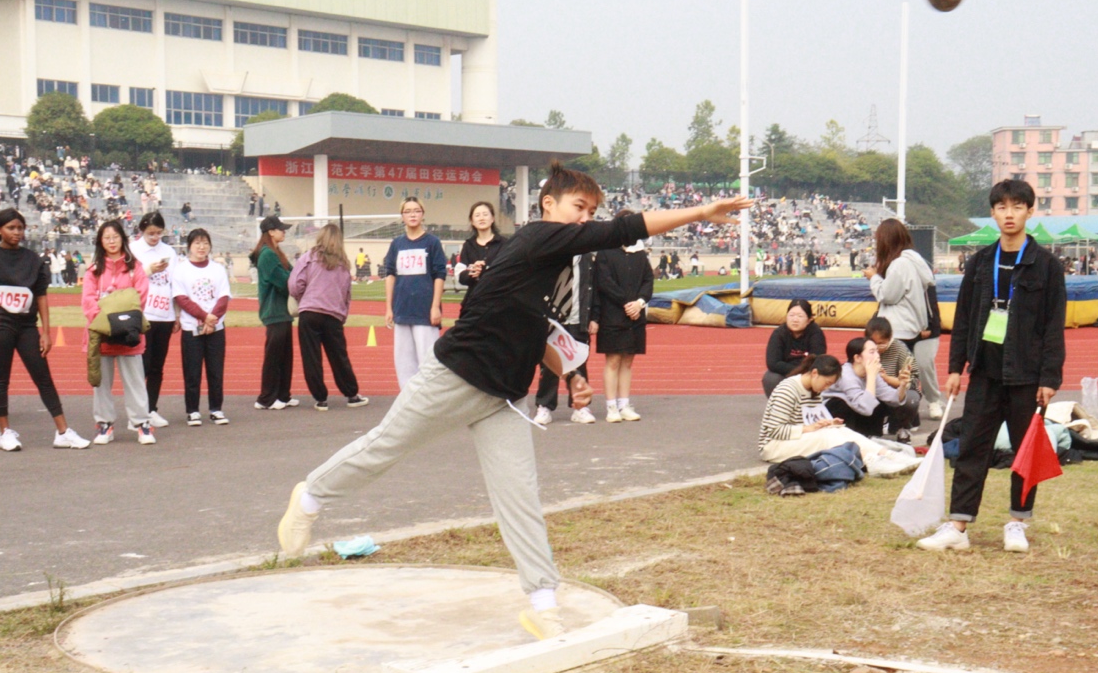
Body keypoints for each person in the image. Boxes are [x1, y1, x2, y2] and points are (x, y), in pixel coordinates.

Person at [276, 162, 753, 641]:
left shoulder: (549, 261)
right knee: (386, 447)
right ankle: (311, 497)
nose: (586, 218)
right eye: (579, 207)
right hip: (455, 376)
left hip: (502, 397)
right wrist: (700, 212)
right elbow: (621, 230)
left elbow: (535, 326)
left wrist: (570, 375)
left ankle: (544, 606)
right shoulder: (540, 237)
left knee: (519, 496)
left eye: (592, 211)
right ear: (548, 204)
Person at [917, 180, 1066, 553]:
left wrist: (1050, 377)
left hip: (1027, 376)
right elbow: (963, 318)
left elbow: (1053, 325)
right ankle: (958, 526)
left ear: (1030, 211)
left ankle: (1018, 522)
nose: (1009, 214)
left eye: (1017, 207)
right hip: (984, 371)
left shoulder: (1047, 266)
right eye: (1002, 207)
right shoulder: (981, 262)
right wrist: (955, 367)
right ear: (993, 213)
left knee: (1024, 452)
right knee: (972, 448)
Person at [0, 209, 90, 451]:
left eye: (20, 228)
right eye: (11, 228)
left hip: (27, 326)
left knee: (43, 377)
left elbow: (41, 296)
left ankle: (63, 432)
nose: (17, 232)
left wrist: (46, 332)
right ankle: (5, 433)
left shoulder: (33, 259)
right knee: (0, 379)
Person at [756, 354, 920, 474]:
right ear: (815, 373)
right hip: (774, 445)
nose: (826, 388)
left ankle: (888, 455)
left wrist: (827, 422)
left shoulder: (814, 390)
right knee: (827, 436)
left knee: (840, 430)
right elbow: (774, 430)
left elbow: (813, 420)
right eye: (827, 383)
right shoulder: (788, 389)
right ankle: (871, 460)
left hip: (799, 438)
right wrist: (809, 428)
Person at [82, 221, 154, 444]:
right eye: (107, 238)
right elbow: (88, 301)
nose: (112, 241)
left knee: (135, 381)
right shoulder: (94, 270)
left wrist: (121, 320)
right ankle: (105, 425)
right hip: (102, 334)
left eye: (115, 237)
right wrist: (106, 322)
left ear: (123, 238)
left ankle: (142, 424)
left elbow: (140, 297)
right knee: (101, 384)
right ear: (100, 242)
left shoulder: (135, 267)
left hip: (129, 335)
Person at [866, 218, 942, 418]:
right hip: (912, 326)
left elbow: (887, 295)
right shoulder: (915, 261)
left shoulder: (899, 264)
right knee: (908, 372)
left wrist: (874, 278)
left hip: (899, 327)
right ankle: (909, 414)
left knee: (897, 372)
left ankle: (902, 414)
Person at [288, 223, 367, 411]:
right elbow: (347, 294)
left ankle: (320, 398)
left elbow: (294, 283)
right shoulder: (343, 264)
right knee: (339, 356)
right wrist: (342, 315)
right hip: (333, 315)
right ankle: (351, 394)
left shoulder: (309, 257)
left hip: (310, 312)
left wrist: (303, 297)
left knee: (311, 357)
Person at [591, 211, 653, 423]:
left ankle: (624, 404)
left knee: (628, 360)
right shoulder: (605, 252)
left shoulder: (640, 254)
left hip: (635, 316)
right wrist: (627, 303)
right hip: (612, 315)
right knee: (613, 360)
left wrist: (639, 303)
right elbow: (604, 282)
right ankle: (611, 407)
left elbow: (648, 281)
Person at [383, 198, 446, 388]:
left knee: (428, 361)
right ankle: (407, 397)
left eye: (417, 210)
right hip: (402, 310)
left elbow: (439, 275)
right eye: (408, 211)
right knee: (404, 362)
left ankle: (429, 398)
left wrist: (435, 306)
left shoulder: (432, 242)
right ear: (402, 216)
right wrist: (389, 308)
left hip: (424, 311)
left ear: (423, 214)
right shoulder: (397, 244)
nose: (412, 214)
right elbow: (390, 275)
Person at [172, 228, 231, 426]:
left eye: (205, 243)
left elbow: (223, 297)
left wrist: (212, 319)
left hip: (216, 328)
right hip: (192, 328)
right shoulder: (181, 270)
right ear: (189, 246)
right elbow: (182, 299)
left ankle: (216, 409)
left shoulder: (218, 269)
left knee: (216, 370)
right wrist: (204, 317)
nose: (201, 247)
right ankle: (193, 411)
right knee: (192, 371)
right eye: (197, 243)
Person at [534, 248, 595, 426]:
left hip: (578, 317)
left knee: (579, 362)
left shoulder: (587, 257)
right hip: (554, 317)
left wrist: (594, 317)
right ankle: (545, 405)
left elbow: (595, 288)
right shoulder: (554, 252)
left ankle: (580, 406)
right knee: (549, 364)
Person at [129, 212, 177, 427]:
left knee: (157, 366)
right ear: (142, 231)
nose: (155, 237)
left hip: (165, 314)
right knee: (142, 366)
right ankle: (136, 413)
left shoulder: (169, 251)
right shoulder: (133, 249)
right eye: (151, 233)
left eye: (159, 233)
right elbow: (128, 278)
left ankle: (151, 409)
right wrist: (149, 270)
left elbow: (175, 283)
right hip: (143, 314)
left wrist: (177, 314)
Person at [822, 336, 914, 439]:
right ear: (857, 358)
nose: (877, 356)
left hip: (858, 407)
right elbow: (865, 408)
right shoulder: (846, 375)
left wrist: (902, 385)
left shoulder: (872, 374)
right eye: (872, 352)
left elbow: (893, 399)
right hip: (831, 412)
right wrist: (871, 376)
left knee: (879, 403)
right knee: (846, 404)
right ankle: (847, 439)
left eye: (877, 352)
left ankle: (871, 438)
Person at [251, 216, 297, 410]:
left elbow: (293, 275)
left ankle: (283, 395)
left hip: (281, 312)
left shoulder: (275, 252)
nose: (284, 231)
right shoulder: (268, 254)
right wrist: (297, 281)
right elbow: (285, 281)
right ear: (270, 232)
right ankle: (266, 398)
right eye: (280, 229)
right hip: (274, 310)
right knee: (274, 356)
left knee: (285, 356)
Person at [864, 316, 922, 441]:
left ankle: (903, 428)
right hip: (871, 390)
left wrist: (887, 378)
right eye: (874, 343)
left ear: (890, 338)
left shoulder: (900, 349)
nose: (877, 348)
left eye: (881, 343)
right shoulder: (863, 349)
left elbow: (912, 380)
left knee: (910, 399)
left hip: (896, 389)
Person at [762, 299, 826, 396]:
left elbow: (817, 360)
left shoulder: (815, 333)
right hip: (785, 373)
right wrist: (795, 372)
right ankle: (780, 403)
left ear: (809, 319)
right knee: (770, 378)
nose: (795, 320)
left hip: (808, 374)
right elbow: (773, 363)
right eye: (791, 315)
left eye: (800, 316)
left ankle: (811, 402)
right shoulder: (779, 333)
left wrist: (804, 374)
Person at [458, 200, 506, 303]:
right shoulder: (468, 245)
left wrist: (486, 270)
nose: (481, 218)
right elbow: (461, 277)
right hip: (473, 301)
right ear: (472, 221)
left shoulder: (504, 244)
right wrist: (472, 272)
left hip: (499, 301)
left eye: (485, 214)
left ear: (492, 218)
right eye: (477, 215)